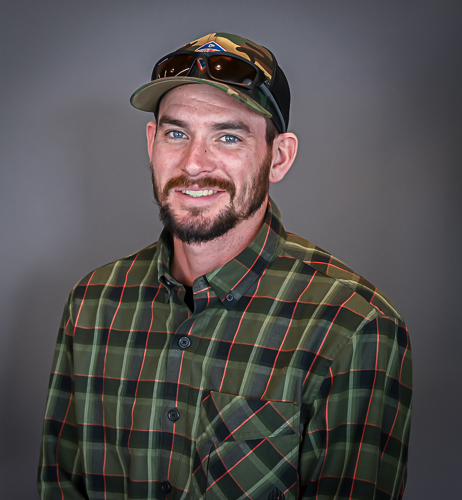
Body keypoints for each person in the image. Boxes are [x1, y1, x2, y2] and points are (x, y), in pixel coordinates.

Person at [38, 33, 412, 500]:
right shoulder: (92, 304)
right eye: (177, 133)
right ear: (152, 143)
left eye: (229, 137)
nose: (194, 163)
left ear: (278, 157)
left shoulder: (353, 326)